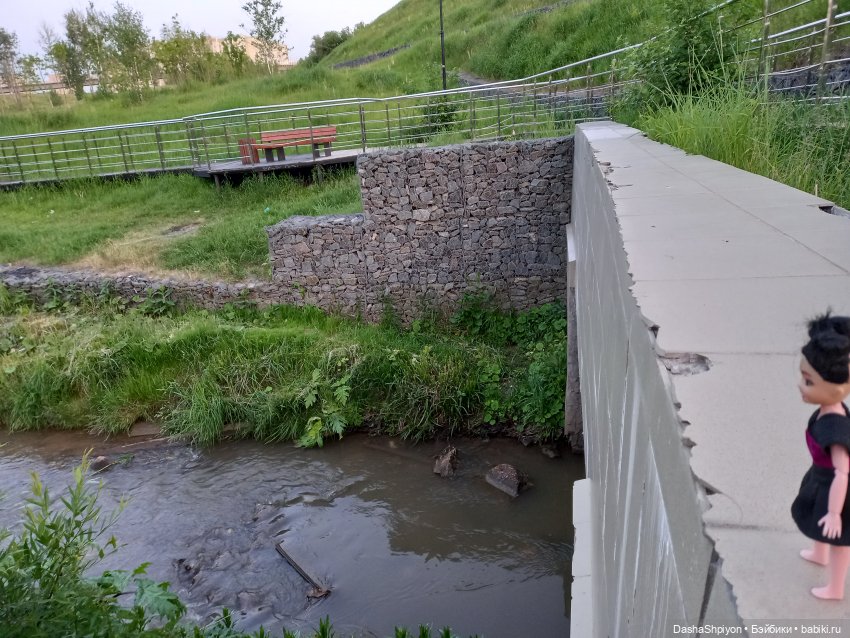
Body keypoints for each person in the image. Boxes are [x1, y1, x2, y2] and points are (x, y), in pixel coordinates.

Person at [791, 312, 850, 600]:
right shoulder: (826, 414)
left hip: (838, 490)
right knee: (817, 521)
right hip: (821, 478)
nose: (801, 386)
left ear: (837, 389)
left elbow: (843, 471)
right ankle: (818, 552)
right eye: (803, 378)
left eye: (809, 382)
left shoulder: (835, 427)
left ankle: (836, 587)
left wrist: (835, 512)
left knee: (840, 540)